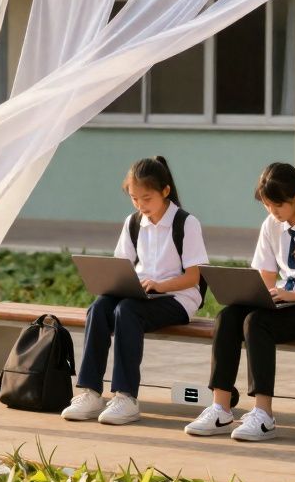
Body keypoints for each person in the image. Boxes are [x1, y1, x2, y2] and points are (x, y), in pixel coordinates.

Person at [184, 162, 295, 442]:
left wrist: (292, 296)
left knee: (257, 323)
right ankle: (220, 408)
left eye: (278, 205)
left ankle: (264, 415)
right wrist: (253, 296)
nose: (273, 212)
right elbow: (264, 274)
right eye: (267, 205)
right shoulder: (272, 225)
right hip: (284, 301)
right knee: (228, 316)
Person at [61, 156, 208, 425]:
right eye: (134, 198)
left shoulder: (186, 223)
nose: (141, 205)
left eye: (147, 198)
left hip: (177, 298)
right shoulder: (133, 223)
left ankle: (126, 397)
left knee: (127, 311)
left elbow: (195, 276)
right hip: (141, 294)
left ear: (165, 191)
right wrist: (117, 283)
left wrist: (160, 286)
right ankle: (91, 393)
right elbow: (122, 266)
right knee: (99, 308)